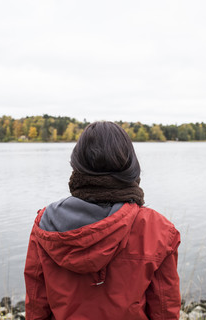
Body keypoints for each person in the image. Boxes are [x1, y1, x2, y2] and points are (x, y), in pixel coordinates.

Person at [24, 121, 181, 320]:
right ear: (130, 166)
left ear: (77, 164)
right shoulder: (158, 230)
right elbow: (164, 311)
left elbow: (36, 305)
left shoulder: (46, 224)